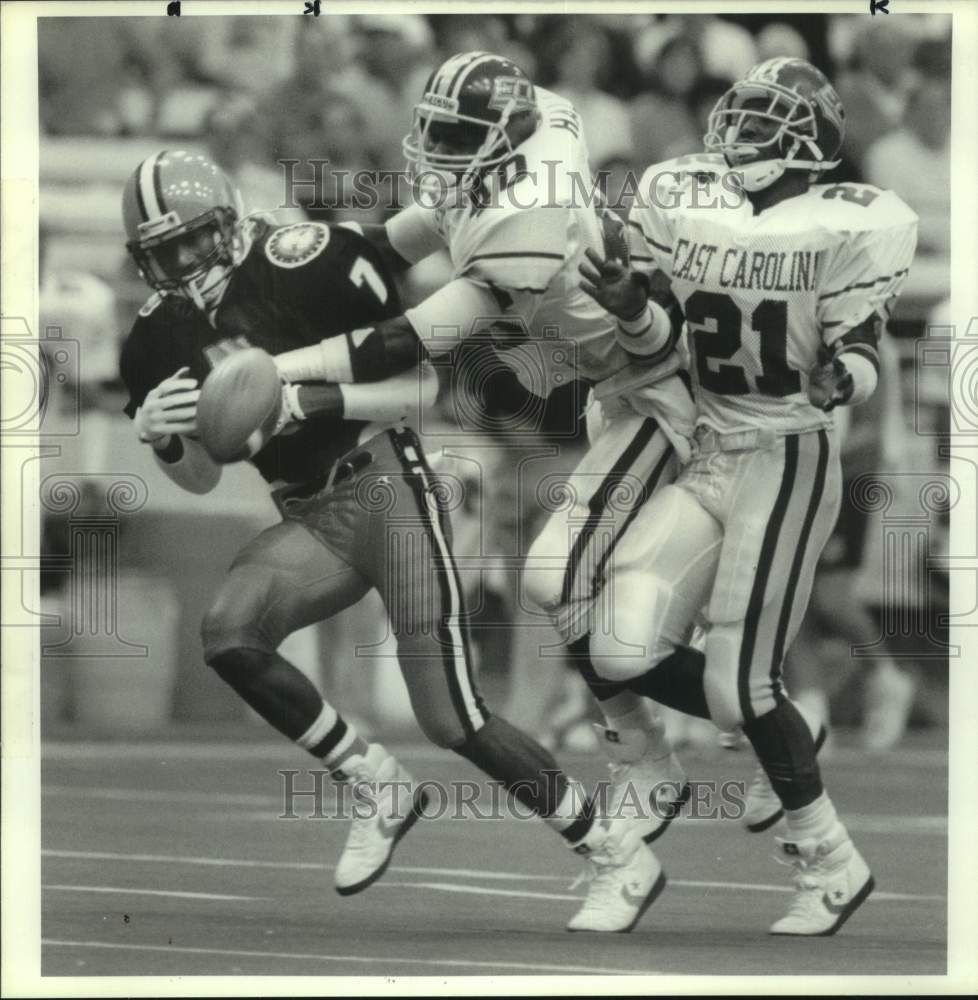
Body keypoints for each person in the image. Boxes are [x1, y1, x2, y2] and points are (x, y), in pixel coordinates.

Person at [119, 148, 644, 927]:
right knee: (228, 633)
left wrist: (312, 402)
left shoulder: (300, 261)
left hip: (385, 484)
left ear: (231, 219)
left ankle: (615, 853)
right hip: (308, 515)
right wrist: (163, 439)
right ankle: (374, 779)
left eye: (199, 238)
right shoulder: (155, 341)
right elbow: (200, 477)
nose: (189, 260)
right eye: (169, 251)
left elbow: (430, 383)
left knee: (452, 718)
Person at [271, 50, 706, 932]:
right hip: (613, 397)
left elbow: (408, 343)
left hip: (661, 396)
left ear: (505, 144)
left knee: (560, 584)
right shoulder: (529, 129)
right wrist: (301, 263)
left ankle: (715, 725)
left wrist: (272, 369)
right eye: (435, 127)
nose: (432, 147)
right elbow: (402, 236)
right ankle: (664, 748)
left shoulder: (527, 221)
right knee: (566, 591)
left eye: (454, 137)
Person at [579, 57, 918, 934]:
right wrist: (627, 307)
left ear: (811, 143)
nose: (741, 137)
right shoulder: (687, 196)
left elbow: (865, 342)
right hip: (706, 449)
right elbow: (658, 330)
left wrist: (842, 377)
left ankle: (828, 862)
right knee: (616, 646)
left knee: (736, 682)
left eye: (766, 124)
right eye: (740, 117)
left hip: (785, 451)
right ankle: (788, 722)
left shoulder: (853, 221)